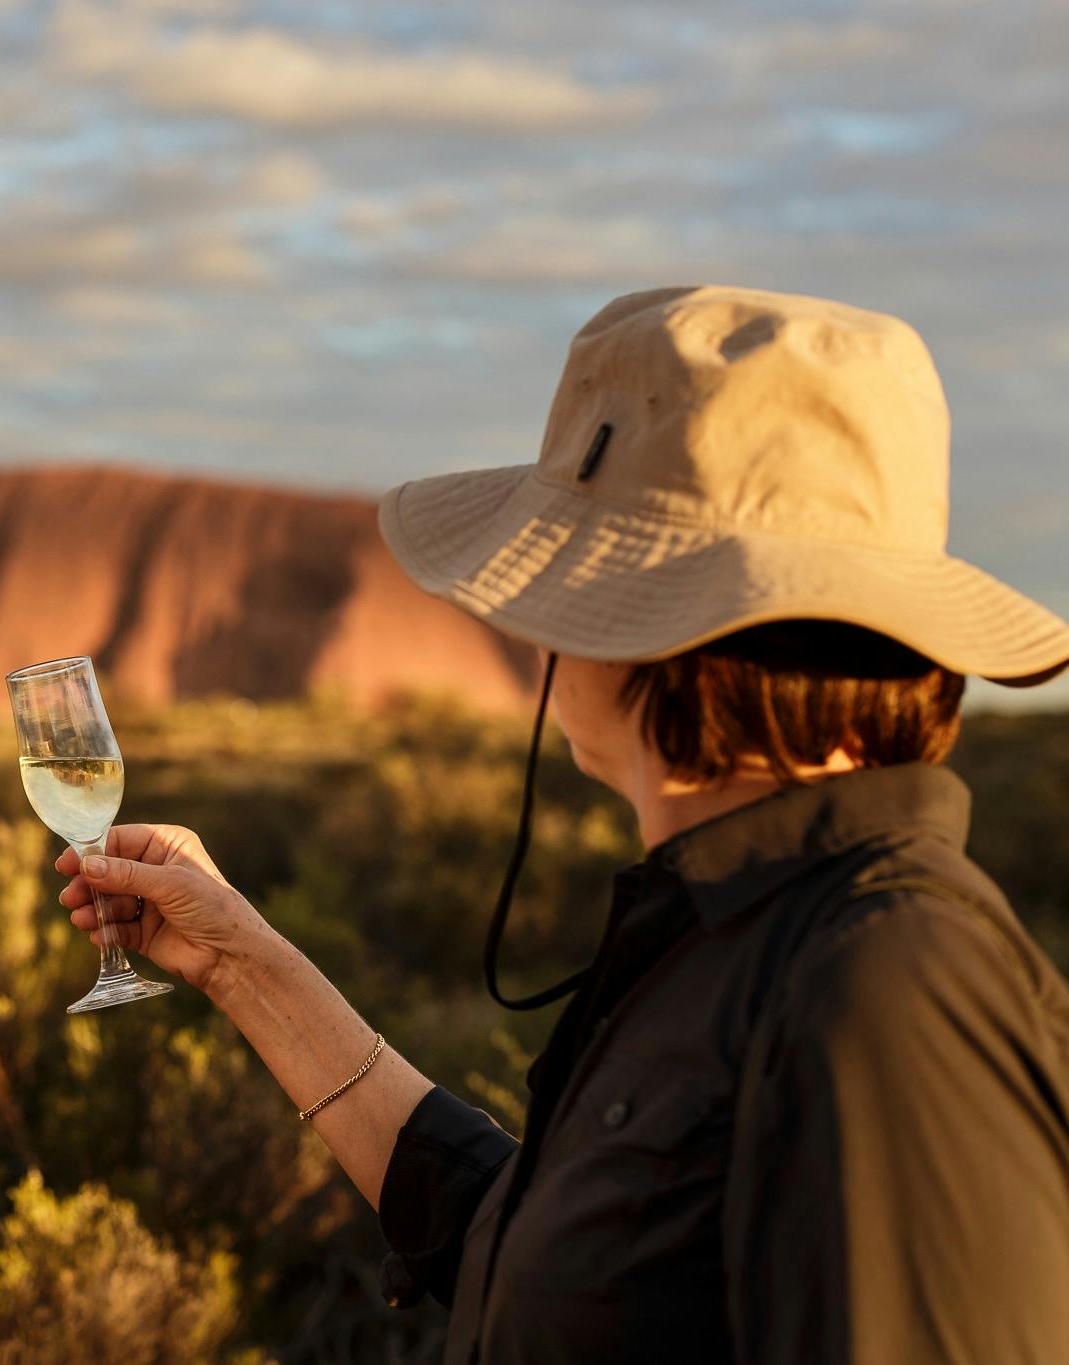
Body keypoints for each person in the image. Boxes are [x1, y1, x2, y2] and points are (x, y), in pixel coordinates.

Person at [58, 286, 1069, 1363]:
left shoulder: (888, 982)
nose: (538, 629)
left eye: (566, 572)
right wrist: (240, 961)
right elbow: (546, 1260)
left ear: (663, 629)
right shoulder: (743, 922)